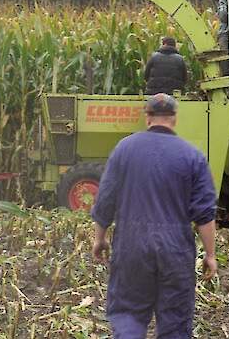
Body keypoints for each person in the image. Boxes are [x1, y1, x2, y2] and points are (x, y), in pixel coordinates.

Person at [90, 93, 217, 339]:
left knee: (128, 313)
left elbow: (105, 199)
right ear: (174, 119)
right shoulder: (192, 156)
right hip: (175, 249)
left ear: (147, 117)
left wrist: (100, 238)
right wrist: (210, 255)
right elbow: (205, 213)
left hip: (131, 246)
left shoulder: (124, 149)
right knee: (176, 323)